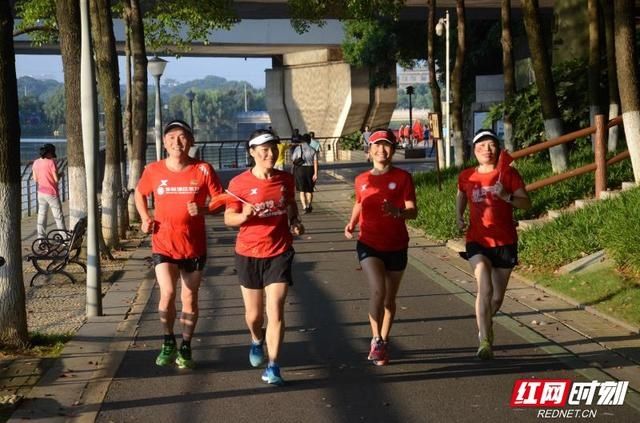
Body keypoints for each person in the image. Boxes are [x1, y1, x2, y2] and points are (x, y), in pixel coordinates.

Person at [135, 119, 223, 369]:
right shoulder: (153, 170)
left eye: (182, 137)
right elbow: (140, 193)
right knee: (168, 293)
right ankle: (167, 340)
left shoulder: (203, 169)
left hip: (193, 247)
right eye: (171, 137)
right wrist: (145, 218)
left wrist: (204, 209)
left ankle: (185, 345)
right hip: (163, 243)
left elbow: (221, 201)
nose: (177, 142)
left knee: (190, 298)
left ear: (191, 141)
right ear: (164, 143)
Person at [224, 129, 305, 386]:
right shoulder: (238, 184)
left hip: (279, 251)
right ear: (252, 153)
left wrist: (294, 221)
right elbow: (229, 219)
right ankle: (256, 339)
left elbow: (290, 203)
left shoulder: (285, 179)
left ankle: (273, 366)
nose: (270, 154)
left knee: (276, 309)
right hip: (248, 253)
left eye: (273, 149)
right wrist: (244, 216)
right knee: (254, 316)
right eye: (264, 150)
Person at [344, 129, 417, 366]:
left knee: (389, 300)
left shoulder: (404, 177)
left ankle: (383, 342)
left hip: (397, 245)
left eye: (386, 145)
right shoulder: (361, 179)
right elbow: (359, 203)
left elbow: (413, 210)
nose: (381, 149)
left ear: (393, 149)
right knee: (378, 290)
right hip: (369, 243)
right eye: (376, 145)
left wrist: (400, 213)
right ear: (370, 150)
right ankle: (375, 338)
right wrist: (352, 223)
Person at [456, 129, 531, 360]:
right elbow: (461, 194)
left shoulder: (508, 174)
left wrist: (507, 196)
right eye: (481, 145)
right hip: (477, 241)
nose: (486, 150)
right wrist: (459, 216)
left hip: (505, 242)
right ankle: (484, 340)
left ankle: (485, 326)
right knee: (484, 288)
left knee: (497, 298)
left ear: (497, 149)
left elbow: (526, 204)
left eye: (491, 145)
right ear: (474, 150)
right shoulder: (467, 176)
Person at [32, 143, 66, 239]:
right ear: (49, 153)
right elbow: (56, 179)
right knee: (58, 217)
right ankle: (64, 239)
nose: (52, 156)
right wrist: (61, 174)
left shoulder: (36, 162)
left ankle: (41, 239)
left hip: (41, 193)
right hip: (52, 193)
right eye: (52, 154)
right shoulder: (51, 162)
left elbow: (35, 179)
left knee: (42, 216)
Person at [290, 133, 318, 213]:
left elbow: (293, 160)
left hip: (300, 170)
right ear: (309, 140)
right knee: (309, 189)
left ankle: (304, 207)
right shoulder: (313, 149)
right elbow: (315, 162)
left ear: (302, 140)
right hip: (310, 169)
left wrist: (292, 171)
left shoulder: (298, 148)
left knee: (302, 190)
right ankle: (309, 205)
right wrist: (315, 173)